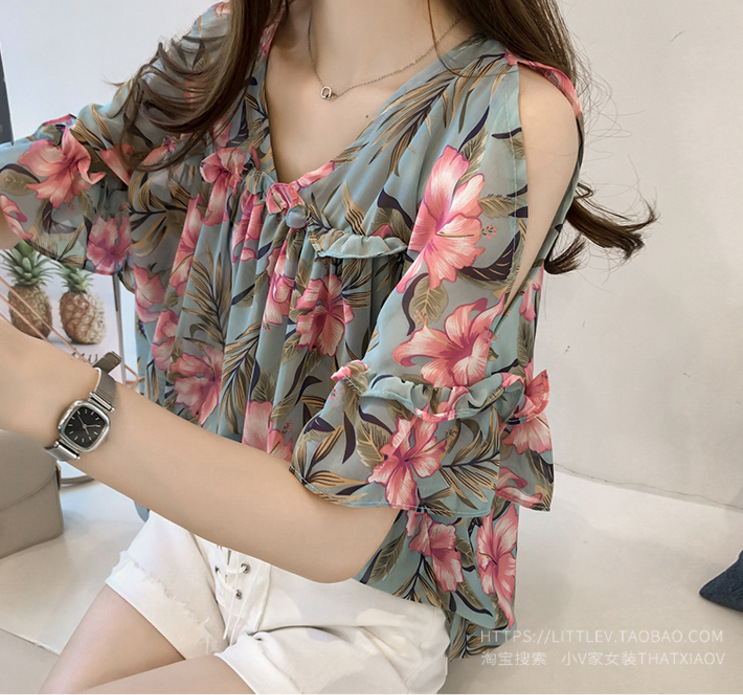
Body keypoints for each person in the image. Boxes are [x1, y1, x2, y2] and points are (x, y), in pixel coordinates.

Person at [0, 1, 655, 692]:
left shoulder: (507, 117)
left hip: (360, 603)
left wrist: (44, 390)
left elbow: (337, 531)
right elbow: (64, 171)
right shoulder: (239, 40)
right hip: (197, 532)